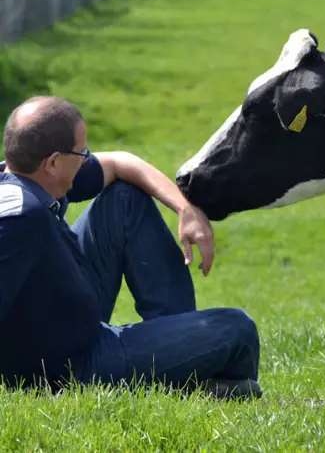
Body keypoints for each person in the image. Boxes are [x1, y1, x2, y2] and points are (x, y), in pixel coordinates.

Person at [0, 96, 261, 399]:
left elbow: (120, 162)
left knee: (124, 197)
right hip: (74, 365)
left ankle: (181, 355)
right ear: (54, 162)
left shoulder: (25, 174)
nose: (86, 158)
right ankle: (193, 378)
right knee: (238, 329)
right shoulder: (18, 217)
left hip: (65, 316)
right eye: (81, 153)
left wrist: (185, 209)